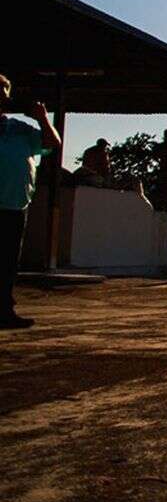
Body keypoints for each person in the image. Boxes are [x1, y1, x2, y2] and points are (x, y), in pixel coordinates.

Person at [0, 74, 62, 329]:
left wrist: (43, 119)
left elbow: (51, 143)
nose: (3, 97)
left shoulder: (17, 129)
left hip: (14, 206)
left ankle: (3, 310)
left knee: (5, 264)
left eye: (4, 92)